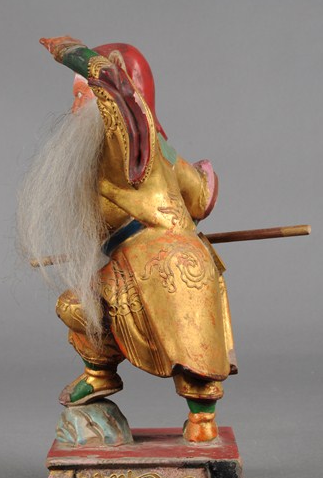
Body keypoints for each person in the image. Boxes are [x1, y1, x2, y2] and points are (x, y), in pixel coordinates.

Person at [17, 36, 237, 443]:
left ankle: (104, 374)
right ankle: (196, 420)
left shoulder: (125, 136)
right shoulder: (164, 152)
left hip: (152, 259)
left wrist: (71, 53)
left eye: (82, 96)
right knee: (98, 311)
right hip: (180, 256)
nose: (76, 107)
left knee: (80, 307)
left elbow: (113, 85)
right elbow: (202, 197)